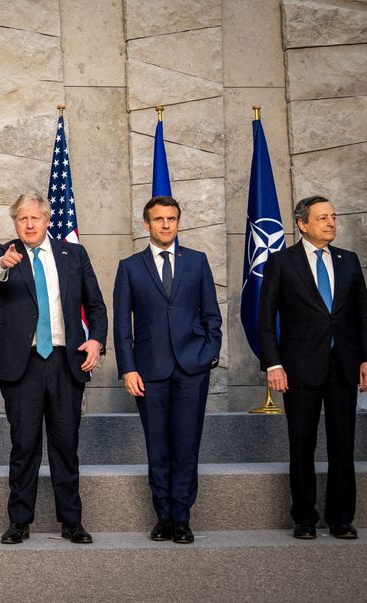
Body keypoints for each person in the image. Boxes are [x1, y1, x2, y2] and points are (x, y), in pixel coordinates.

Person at [0, 192, 107, 545]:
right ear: (15, 222)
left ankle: (72, 522)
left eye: (35, 218)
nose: (29, 224)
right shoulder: (4, 252)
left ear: (48, 220)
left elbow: (95, 304)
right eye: (22, 218)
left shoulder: (73, 254)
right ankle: (19, 522)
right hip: (24, 366)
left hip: (66, 362)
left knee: (66, 445)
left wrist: (96, 340)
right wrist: (3, 264)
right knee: (24, 445)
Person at [258, 195, 367, 540]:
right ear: (302, 224)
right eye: (323, 217)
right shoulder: (282, 262)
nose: (331, 222)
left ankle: (341, 518)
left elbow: (363, 315)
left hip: (344, 366)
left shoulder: (348, 260)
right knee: (302, 445)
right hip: (298, 368)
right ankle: (304, 519)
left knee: (343, 444)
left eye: (333, 216)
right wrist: (273, 364)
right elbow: (265, 320)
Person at [112, 196, 222, 544]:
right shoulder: (130, 267)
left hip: (192, 369)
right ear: (146, 224)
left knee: (187, 446)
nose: (165, 225)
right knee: (157, 446)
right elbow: (122, 325)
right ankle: (163, 517)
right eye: (158, 219)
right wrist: (128, 369)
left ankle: (183, 518)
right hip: (149, 370)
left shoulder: (197, 261)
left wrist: (209, 354)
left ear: (178, 222)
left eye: (171, 219)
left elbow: (212, 315)